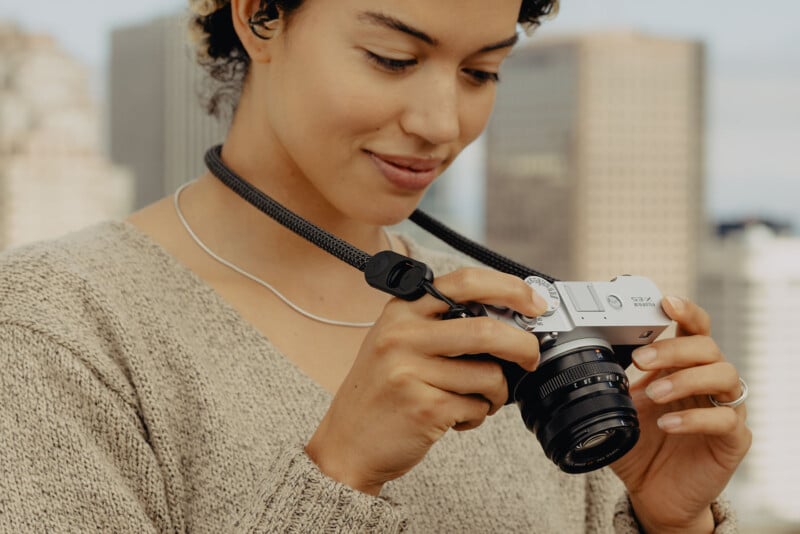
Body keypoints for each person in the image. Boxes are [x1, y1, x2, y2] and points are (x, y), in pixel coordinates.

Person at [0, 0, 751, 532]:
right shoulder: (52, 329)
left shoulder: (516, 317)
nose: (441, 123)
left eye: (481, 72)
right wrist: (340, 474)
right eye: (393, 59)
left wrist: (666, 520)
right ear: (260, 15)